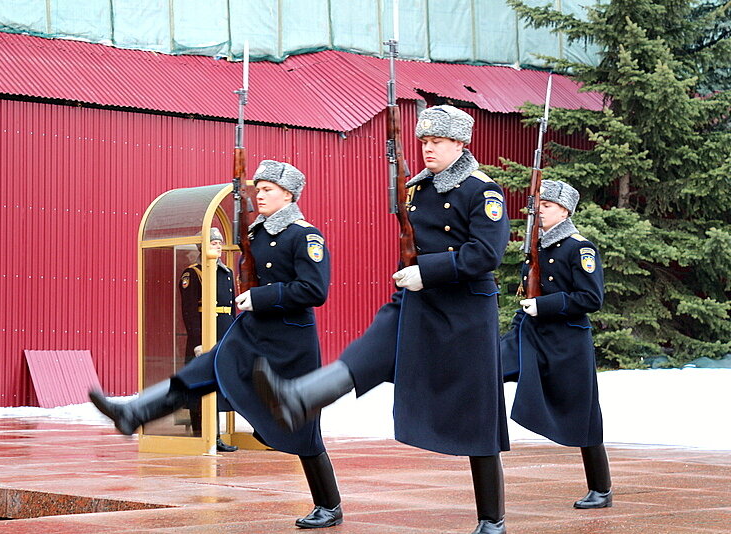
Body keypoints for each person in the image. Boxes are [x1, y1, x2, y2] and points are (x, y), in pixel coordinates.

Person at [254, 105, 511, 534]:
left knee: (476, 413)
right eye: (424, 141)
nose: (428, 148)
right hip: (415, 299)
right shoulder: (419, 188)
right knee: (367, 352)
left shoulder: (482, 191)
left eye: (438, 142)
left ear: (461, 144)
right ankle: (297, 399)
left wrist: (427, 271)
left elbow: (487, 254)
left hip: (464, 310)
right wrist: (412, 274)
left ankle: (492, 519)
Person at [89, 160, 343, 529]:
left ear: (288, 194)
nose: (260, 195)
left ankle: (329, 505)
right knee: (199, 372)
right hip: (251, 332)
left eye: (268, 189)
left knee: (301, 426)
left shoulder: (305, 236)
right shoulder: (255, 234)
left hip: (288, 341)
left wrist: (262, 297)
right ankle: (134, 414)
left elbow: (314, 290)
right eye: (258, 189)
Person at [500, 179, 612, 509]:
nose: (539, 212)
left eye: (546, 207)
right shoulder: (538, 247)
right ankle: (482, 445)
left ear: (564, 210)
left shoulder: (580, 248)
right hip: (531, 334)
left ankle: (601, 489)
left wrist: (547, 305)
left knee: (584, 415)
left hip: (567, 343)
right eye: (538, 207)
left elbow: (592, 298)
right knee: (489, 369)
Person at [178, 227, 237, 452]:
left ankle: (216, 435)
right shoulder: (193, 274)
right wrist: (197, 342)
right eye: (213, 243)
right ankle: (200, 434)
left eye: (220, 243)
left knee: (218, 384)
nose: (218, 246)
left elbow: (231, 310)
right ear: (202, 246)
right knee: (199, 384)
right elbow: (189, 312)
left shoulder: (226, 272)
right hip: (203, 336)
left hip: (223, 333)